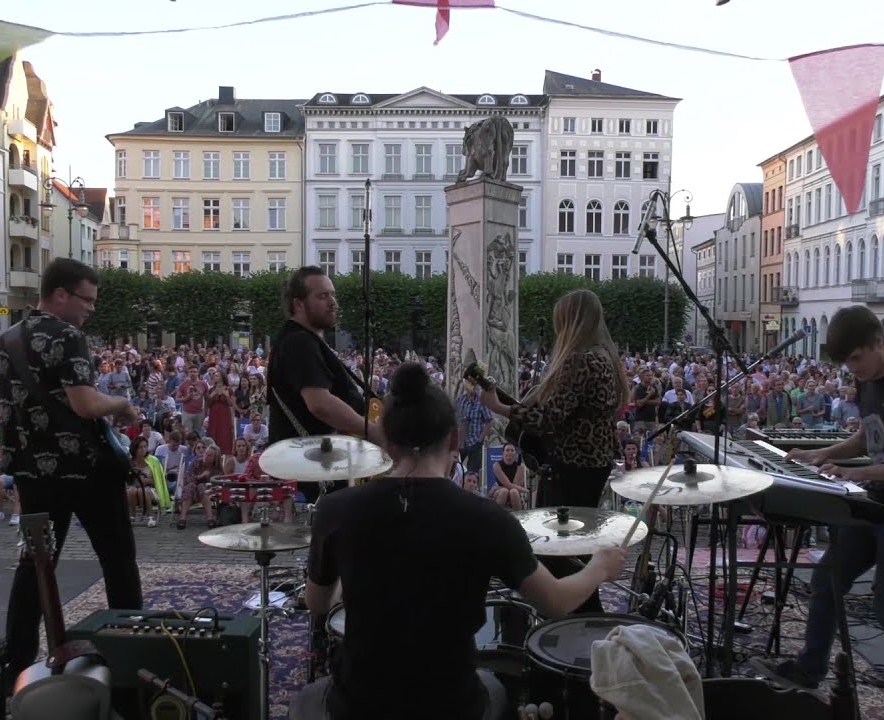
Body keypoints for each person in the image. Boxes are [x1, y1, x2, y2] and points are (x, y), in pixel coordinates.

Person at [289, 363, 625, 720]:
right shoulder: (487, 518)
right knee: (496, 690)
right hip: (452, 705)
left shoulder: (336, 509)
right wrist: (598, 568)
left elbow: (317, 603)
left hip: (358, 705)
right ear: (454, 440)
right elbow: (556, 602)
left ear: (385, 438)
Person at [754, 305, 884, 720]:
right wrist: (824, 453)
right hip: (880, 504)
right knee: (827, 581)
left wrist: (859, 471)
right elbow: (869, 433)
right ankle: (810, 670)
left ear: (880, 342)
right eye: (846, 362)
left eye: (856, 358)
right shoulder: (868, 382)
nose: (852, 368)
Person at [0, 258, 144, 677]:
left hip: (32, 473)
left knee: (35, 568)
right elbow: (85, 403)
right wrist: (122, 405)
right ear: (60, 294)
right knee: (117, 561)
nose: (91, 309)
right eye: (87, 299)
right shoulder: (68, 336)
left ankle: (18, 664)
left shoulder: (6, 339)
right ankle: (130, 650)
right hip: (85, 471)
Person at [481, 288, 628, 613]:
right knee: (574, 545)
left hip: (571, 464)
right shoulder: (605, 357)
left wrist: (500, 407)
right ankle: (577, 616)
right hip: (593, 462)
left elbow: (548, 419)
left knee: (560, 549)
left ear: (572, 321)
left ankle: (577, 620)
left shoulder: (580, 360)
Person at [266, 266, 383, 500]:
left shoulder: (305, 340)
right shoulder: (299, 342)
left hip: (318, 470)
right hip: (313, 478)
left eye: (333, 295)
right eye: (322, 296)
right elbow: (320, 403)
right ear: (299, 304)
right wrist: (373, 432)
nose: (332, 302)